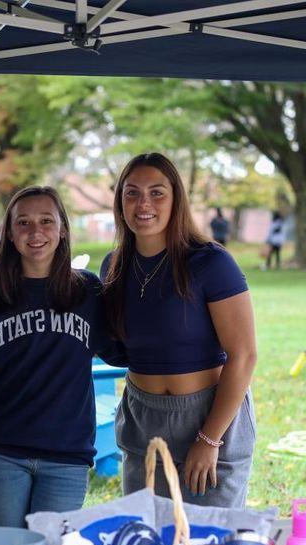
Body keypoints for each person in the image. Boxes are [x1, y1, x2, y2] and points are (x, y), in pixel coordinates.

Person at [0, 186, 125, 528]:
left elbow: (117, 351)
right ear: (9, 233)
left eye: (46, 221)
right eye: (24, 222)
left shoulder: (88, 291)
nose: (36, 232)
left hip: (67, 454)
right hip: (2, 450)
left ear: (62, 228)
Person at [101, 152, 257, 509]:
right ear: (120, 200)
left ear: (176, 200)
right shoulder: (113, 266)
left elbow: (244, 355)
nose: (143, 203)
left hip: (207, 416)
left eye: (157, 193)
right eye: (132, 192)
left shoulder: (210, 262)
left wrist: (210, 438)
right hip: (143, 418)